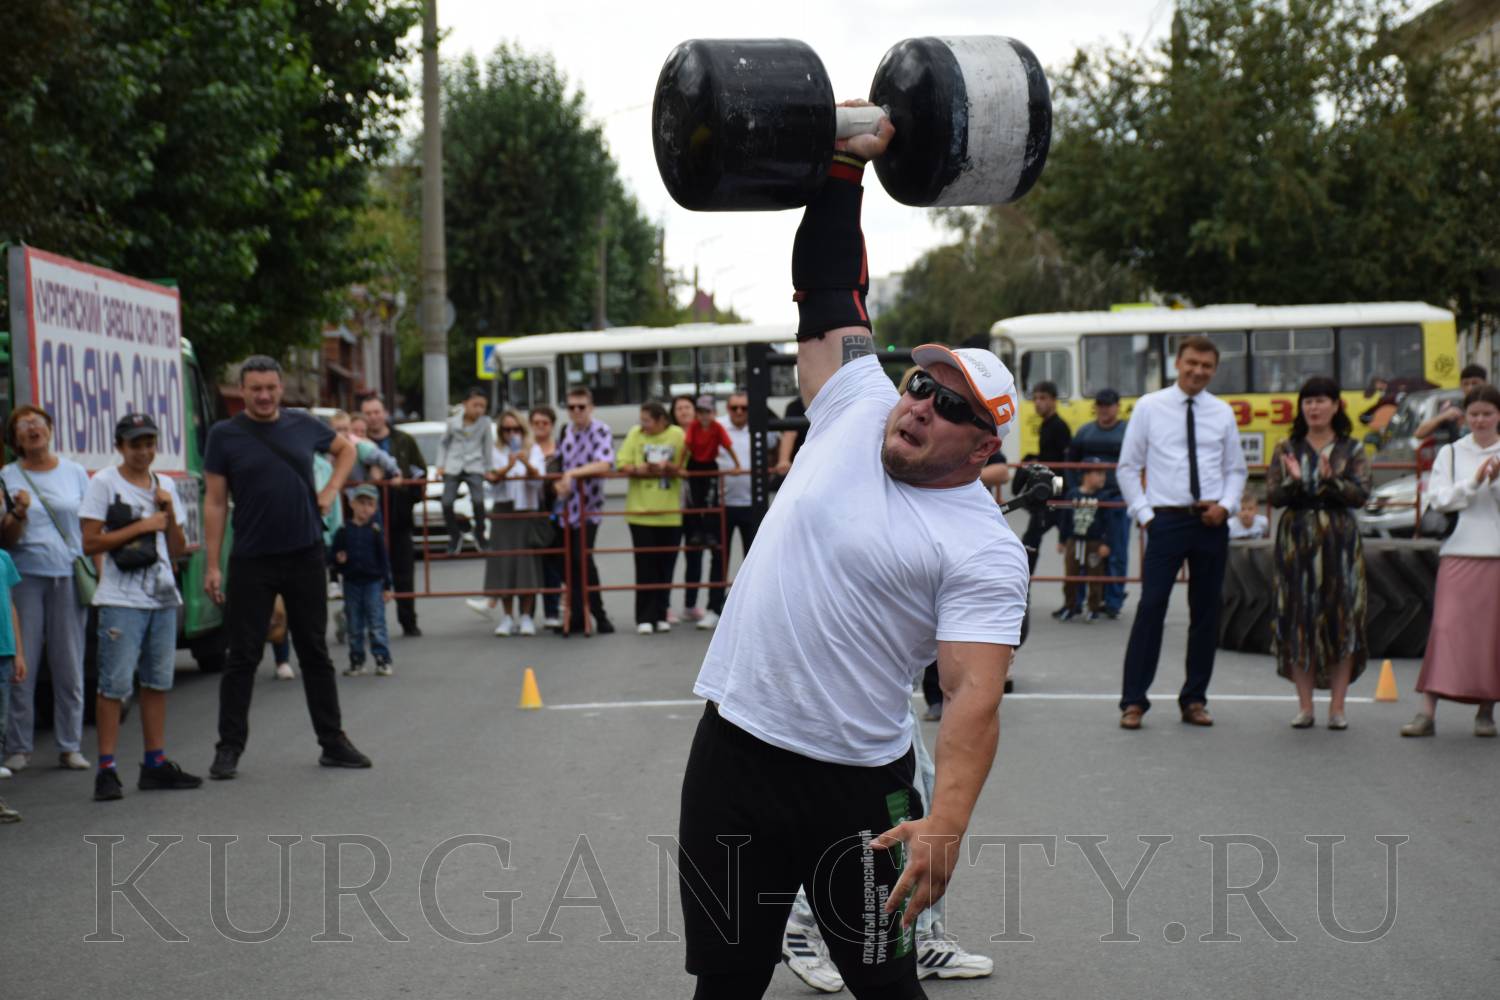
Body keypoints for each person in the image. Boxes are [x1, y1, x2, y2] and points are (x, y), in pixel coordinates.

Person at [679, 110, 1028, 1000]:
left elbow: (971, 693)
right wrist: (842, 166)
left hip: (859, 797)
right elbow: (830, 287)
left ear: (984, 449)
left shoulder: (985, 551)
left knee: (888, 991)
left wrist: (944, 822)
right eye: (922, 383)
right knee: (725, 985)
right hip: (736, 756)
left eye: (953, 409)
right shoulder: (850, 402)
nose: (920, 406)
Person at [203, 356, 369, 779]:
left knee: (314, 649)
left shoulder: (302, 424)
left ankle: (332, 741)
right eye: (255, 388)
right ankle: (229, 748)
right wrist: (212, 564)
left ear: (281, 389)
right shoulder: (224, 435)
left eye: (270, 388)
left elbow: (346, 449)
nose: (263, 395)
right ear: (242, 391)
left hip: (305, 553)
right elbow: (216, 502)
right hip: (252, 558)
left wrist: (332, 489)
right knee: (241, 655)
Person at [1116, 336, 1248, 730]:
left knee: (1206, 612)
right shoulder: (1149, 407)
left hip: (1210, 520)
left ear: (1214, 369)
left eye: (1206, 366)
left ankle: (1194, 699)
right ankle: (1134, 701)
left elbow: (1236, 470)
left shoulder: (1222, 412)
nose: (1198, 371)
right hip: (1165, 520)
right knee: (1151, 607)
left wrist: (1226, 505)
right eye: (1192, 363)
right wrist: (1145, 516)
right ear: (1178, 363)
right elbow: (1127, 467)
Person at [81, 413, 202, 800]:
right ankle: (106, 768)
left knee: (157, 682)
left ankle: (154, 762)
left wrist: (166, 516)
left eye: (149, 443)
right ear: (120, 446)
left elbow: (180, 549)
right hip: (121, 598)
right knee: (114, 684)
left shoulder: (163, 484)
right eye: (135, 444)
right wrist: (141, 526)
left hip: (163, 597)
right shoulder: (104, 482)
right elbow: (89, 542)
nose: (144, 451)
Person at [1265, 378, 1371, 730]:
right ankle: (1305, 706)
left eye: (1321, 401)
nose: (1314, 408)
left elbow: (1360, 495)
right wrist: (1295, 480)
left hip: (1339, 540)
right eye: (1308, 401)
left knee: (1342, 617)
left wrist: (1331, 480)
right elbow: (1275, 496)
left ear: (1336, 405)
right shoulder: (1287, 447)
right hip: (1297, 540)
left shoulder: (1351, 448)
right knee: (1298, 618)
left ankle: (1337, 708)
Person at [1400, 384, 1500, 738]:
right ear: (1465, 416)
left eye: (1488, 413)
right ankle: (1427, 710)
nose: (1480, 420)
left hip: (1495, 554)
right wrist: (1473, 483)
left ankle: (1485, 711)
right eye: (1474, 414)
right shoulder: (1452, 453)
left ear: (1498, 415)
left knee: (1490, 636)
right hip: (1458, 550)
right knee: (1445, 628)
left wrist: (1495, 482)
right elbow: (1440, 499)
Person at [0, 405, 91, 773]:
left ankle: (70, 745)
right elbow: (4, 538)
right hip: (25, 577)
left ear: (51, 429)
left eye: (38, 423)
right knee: (25, 665)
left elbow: (88, 525)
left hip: (68, 575)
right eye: (24, 426)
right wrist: (18, 513)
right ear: (16, 440)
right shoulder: (8, 476)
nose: (33, 429)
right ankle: (19, 747)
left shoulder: (75, 472)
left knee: (69, 663)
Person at [697, 390, 776, 631]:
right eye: (734, 408)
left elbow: (777, 447)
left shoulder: (762, 427)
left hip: (754, 503)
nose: (739, 412)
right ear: (727, 408)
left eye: (744, 408)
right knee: (719, 558)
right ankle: (713, 608)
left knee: (756, 560)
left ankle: (754, 611)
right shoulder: (717, 426)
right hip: (723, 503)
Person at [466, 410, 545, 636]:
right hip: (504, 509)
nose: (512, 434)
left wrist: (526, 463)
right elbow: (491, 480)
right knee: (504, 565)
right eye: (507, 430)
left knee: (526, 564)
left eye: (516, 429)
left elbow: (538, 481)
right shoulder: (494, 451)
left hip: (526, 509)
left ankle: (527, 616)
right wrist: (508, 466)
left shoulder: (534, 449)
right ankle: (508, 616)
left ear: (523, 430)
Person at [617, 400, 687, 635]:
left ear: (661, 420)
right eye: (642, 419)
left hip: (670, 511)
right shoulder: (635, 434)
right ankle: (644, 617)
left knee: (666, 566)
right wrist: (640, 469)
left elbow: (686, 465)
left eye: (647, 420)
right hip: (640, 511)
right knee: (645, 565)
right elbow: (622, 464)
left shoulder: (677, 434)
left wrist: (669, 468)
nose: (642, 424)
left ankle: (661, 613)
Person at [359, 394, 426, 637]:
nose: (373, 417)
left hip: (399, 512)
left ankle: (409, 621)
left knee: (404, 570)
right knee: (369, 570)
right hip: (367, 515)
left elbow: (420, 471)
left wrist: (406, 486)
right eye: (368, 413)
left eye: (376, 412)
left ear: (385, 413)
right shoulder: (359, 443)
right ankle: (371, 625)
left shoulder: (404, 440)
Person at [554, 388, 616, 635]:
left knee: (583, 559)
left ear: (591, 407)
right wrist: (558, 480)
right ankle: (578, 614)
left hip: (589, 507)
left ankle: (599, 614)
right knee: (567, 563)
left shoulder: (600, 430)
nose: (576, 412)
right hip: (565, 508)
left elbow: (604, 463)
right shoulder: (565, 431)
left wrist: (572, 474)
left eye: (581, 407)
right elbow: (557, 463)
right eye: (571, 407)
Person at [1066, 388, 1129, 617]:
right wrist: (1076, 492)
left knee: (1116, 551)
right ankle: (1078, 601)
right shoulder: (1085, 432)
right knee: (1082, 550)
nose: (1104, 409)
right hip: (1088, 502)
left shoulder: (1128, 431)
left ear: (1117, 406)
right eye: (1100, 405)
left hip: (1117, 499)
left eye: (1108, 405)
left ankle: (1113, 602)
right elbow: (1070, 462)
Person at [330, 485, 394, 677]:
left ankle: (382, 659)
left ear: (374, 509)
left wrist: (387, 585)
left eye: (369, 504)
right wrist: (338, 562)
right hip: (351, 583)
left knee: (376, 622)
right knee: (354, 624)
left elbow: (383, 560)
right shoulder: (343, 531)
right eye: (361, 503)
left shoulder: (374, 532)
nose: (365, 508)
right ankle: (356, 660)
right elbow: (334, 557)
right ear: (352, 504)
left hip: (373, 582)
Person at [436, 388, 495, 554]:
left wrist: (488, 469)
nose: (479, 410)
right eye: (475, 405)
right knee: (446, 502)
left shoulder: (485, 423)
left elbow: (487, 447)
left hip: (474, 465)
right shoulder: (452, 422)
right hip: (453, 466)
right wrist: (440, 465)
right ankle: (455, 535)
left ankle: (480, 533)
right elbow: (443, 444)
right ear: (465, 404)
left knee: (478, 501)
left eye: (482, 406)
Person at [1021, 380, 1071, 566]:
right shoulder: (1046, 425)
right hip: (1049, 493)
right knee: (1031, 540)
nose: (1037, 402)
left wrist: (1057, 495)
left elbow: (1063, 465)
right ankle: (1025, 589)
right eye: (1035, 398)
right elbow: (1049, 457)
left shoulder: (1059, 426)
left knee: (1031, 540)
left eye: (1043, 398)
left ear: (1054, 400)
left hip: (1055, 494)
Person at [1054, 458, 1111, 621]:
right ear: (1086, 475)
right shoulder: (1073, 494)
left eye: (1104, 474)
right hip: (1074, 542)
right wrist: (1062, 540)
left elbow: (1109, 523)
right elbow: (1065, 519)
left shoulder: (1104, 497)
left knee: (1095, 577)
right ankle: (1070, 606)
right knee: (1070, 576)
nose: (1102, 478)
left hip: (1094, 543)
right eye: (1098, 474)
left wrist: (1106, 543)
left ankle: (1093, 608)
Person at [684, 394, 740, 548]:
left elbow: (728, 446)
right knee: (695, 500)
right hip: (694, 464)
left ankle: (710, 533)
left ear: (713, 413)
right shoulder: (694, 427)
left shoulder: (717, 427)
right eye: (701, 412)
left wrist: (737, 465)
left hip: (710, 465)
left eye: (707, 412)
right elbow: (686, 447)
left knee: (711, 499)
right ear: (697, 414)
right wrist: (680, 467)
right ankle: (697, 532)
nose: (704, 416)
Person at [672, 395, 708, 624]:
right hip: (674, 504)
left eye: (688, 407)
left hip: (697, 503)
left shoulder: (705, 431)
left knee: (695, 554)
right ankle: (664, 605)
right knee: (670, 555)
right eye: (679, 408)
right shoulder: (670, 435)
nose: (684, 411)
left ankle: (691, 604)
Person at [529, 406, 564, 630]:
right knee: (531, 564)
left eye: (545, 423)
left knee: (552, 562)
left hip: (553, 510)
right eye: (536, 423)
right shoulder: (527, 448)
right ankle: (528, 614)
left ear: (552, 425)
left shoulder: (559, 450)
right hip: (530, 509)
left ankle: (552, 610)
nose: (540, 427)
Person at [0, 546, 27, 813]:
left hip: (4, 652)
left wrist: (19, 652)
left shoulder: (4, 558)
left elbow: (10, 605)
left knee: (0, 725)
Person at [1414, 364, 1489, 443]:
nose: (1470, 388)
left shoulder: (1494, 407)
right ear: (1461, 385)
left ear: (1485, 383)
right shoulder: (1454, 409)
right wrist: (1443, 416)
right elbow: (1419, 434)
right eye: (1466, 384)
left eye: (1475, 383)